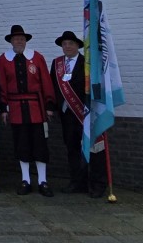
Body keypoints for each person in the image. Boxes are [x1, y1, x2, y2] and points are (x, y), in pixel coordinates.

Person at [0, 24, 56, 197]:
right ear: (11, 41)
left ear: (26, 41)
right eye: (16, 39)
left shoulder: (37, 58)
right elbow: (2, 85)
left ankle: (43, 181)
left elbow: (45, 81)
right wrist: (3, 108)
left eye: (22, 39)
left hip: (36, 108)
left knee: (40, 145)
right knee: (21, 144)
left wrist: (49, 105)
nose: (19, 41)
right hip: (16, 109)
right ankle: (25, 180)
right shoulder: (3, 60)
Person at [50, 29, 106, 197]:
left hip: (86, 114)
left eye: (71, 43)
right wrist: (52, 107)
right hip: (67, 116)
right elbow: (53, 87)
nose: (67, 46)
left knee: (94, 149)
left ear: (77, 46)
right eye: (64, 44)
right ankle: (77, 182)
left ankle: (97, 185)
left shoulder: (87, 63)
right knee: (73, 150)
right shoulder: (57, 64)